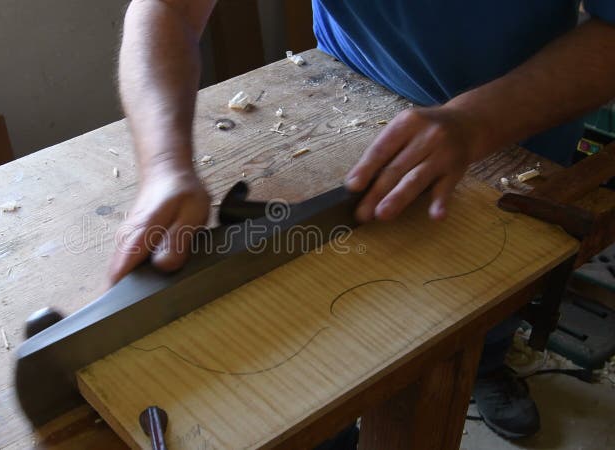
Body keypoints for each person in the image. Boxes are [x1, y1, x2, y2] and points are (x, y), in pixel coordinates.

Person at [109, 0, 615, 441]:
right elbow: (168, 9)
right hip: (348, 99)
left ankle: (487, 360)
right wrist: (164, 165)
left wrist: (476, 120)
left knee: (487, 293)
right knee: (332, 320)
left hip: (518, 122)